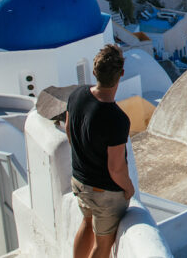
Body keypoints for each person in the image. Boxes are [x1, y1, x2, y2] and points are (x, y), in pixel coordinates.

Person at [65, 44, 134, 258]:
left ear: (95, 71)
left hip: (79, 180)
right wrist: (129, 188)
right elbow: (116, 167)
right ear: (121, 74)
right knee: (103, 244)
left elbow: (68, 129)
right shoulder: (116, 118)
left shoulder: (77, 95)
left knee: (86, 224)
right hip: (104, 192)